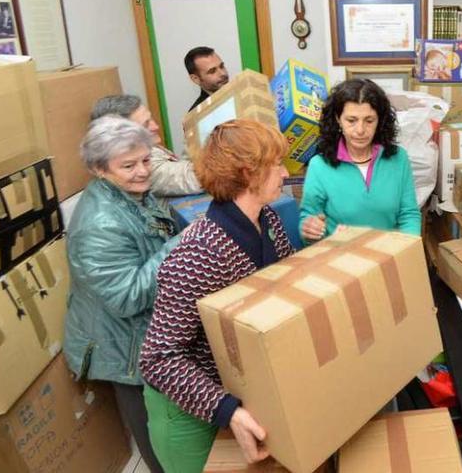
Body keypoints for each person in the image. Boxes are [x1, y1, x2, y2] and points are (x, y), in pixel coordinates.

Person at [140, 119, 294, 472]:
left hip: (236, 391)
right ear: (248, 172)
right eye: (276, 165)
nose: (285, 173)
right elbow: (158, 359)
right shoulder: (200, 253)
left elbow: (285, 285)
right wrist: (227, 410)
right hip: (188, 409)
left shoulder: (267, 220)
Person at [64, 116, 181, 473]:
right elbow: (128, 295)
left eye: (146, 160)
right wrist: (180, 247)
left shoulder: (133, 193)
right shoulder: (99, 224)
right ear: (99, 169)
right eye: (128, 166)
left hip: (144, 333)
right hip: (123, 348)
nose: (143, 171)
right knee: (154, 433)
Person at [299, 78, 421, 242]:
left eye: (369, 121)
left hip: (388, 255)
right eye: (351, 120)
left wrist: (406, 247)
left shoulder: (398, 159)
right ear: (337, 119)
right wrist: (309, 230)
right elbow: (307, 220)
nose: (360, 130)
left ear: (380, 121)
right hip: (338, 259)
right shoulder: (320, 166)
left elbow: (409, 214)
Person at [91, 95, 202, 200]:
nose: (155, 126)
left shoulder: (147, 150)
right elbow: (203, 178)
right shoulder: (142, 163)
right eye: (145, 125)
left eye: (151, 119)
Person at [184, 46, 229, 112]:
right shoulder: (197, 116)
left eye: (222, 66)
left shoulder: (242, 90)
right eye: (212, 71)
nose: (223, 73)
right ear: (195, 79)